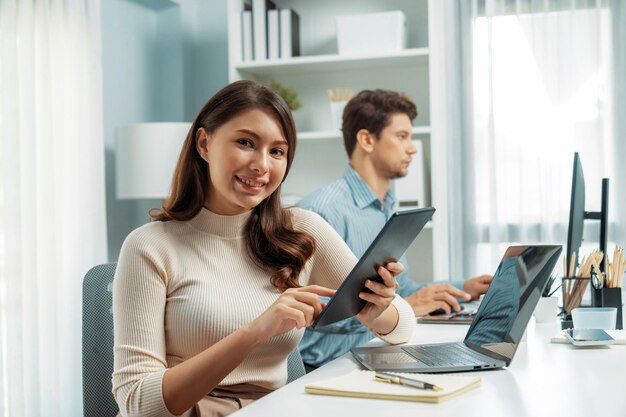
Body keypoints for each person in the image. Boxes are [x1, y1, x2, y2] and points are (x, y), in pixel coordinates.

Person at [111, 80, 415, 417]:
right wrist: (255, 332)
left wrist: (377, 311)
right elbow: (138, 405)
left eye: (277, 151)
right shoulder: (150, 247)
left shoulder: (302, 230)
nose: (262, 165)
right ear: (204, 143)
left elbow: (404, 326)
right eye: (245, 142)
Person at [297, 89, 493, 370]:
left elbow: (404, 290)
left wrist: (464, 289)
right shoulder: (321, 212)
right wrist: (400, 309)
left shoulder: (388, 207)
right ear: (366, 139)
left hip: (373, 354)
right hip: (325, 367)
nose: (412, 147)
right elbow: (309, 314)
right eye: (402, 136)